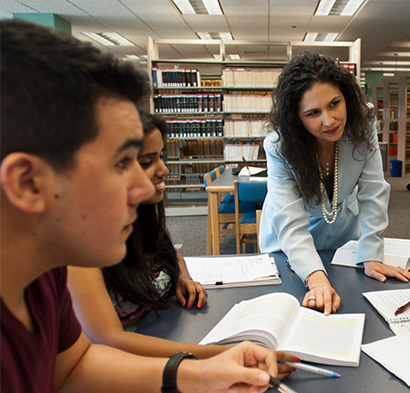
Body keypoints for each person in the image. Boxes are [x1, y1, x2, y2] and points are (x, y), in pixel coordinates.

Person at [1, 19, 277, 393]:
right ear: (28, 184)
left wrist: (195, 375)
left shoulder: (44, 271)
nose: (142, 186)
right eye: (121, 163)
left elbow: (74, 365)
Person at [66, 110, 296, 376]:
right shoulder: (79, 254)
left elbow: (166, 252)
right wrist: (224, 354)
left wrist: (181, 278)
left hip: (163, 333)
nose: (164, 169)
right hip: (129, 368)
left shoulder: (140, 216)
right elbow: (110, 340)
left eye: (161, 156)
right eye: (147, 161)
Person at [259, 51, 410, 315]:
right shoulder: (280, 146)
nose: (329, 121)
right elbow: (291, 222)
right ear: (296, 118)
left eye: (334, 103)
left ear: (346, 98)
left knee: (356, 301)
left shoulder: (361, 122)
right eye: (313, 113)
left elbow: (373, 190)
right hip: (288, 244)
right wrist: (315, 277)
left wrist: (372, 253)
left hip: (343, 236)